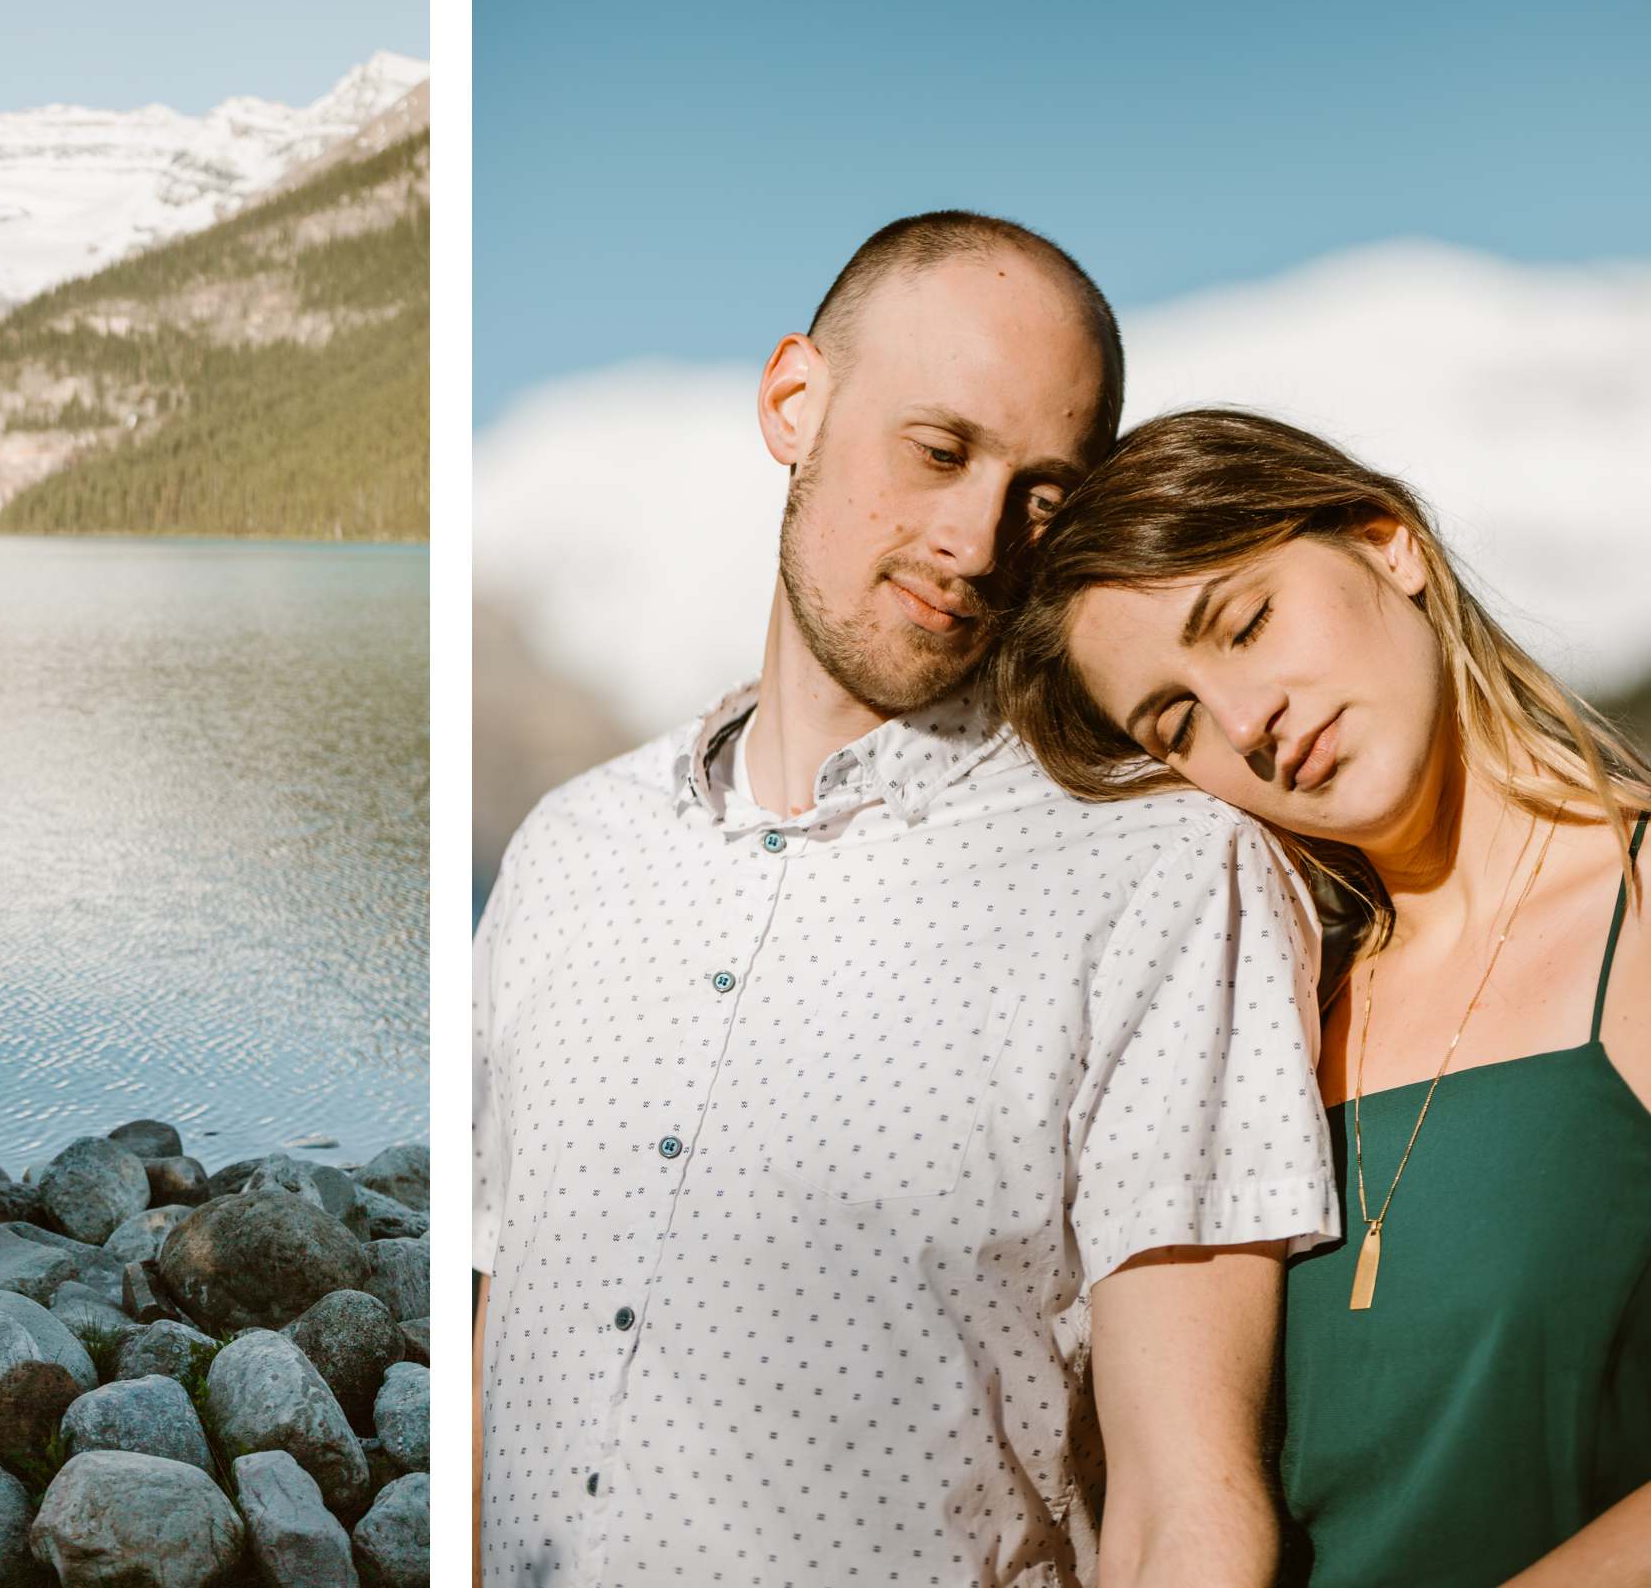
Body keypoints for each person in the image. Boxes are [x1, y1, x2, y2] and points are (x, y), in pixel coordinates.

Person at [472, 212, 1338, 1588]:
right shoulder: (571, 852)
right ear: (794, 403)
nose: (977, 541)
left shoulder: (1159, 872)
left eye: (1044, 496)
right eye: (938, 453)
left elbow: (1189, 1497)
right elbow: (498, 1323)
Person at [991, 406, 1651, 1587]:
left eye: (1245, 624)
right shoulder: (1262, 1019)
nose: (1246, 726)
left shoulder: (1638, 915)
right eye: (1176, 719)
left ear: (1388, 542)